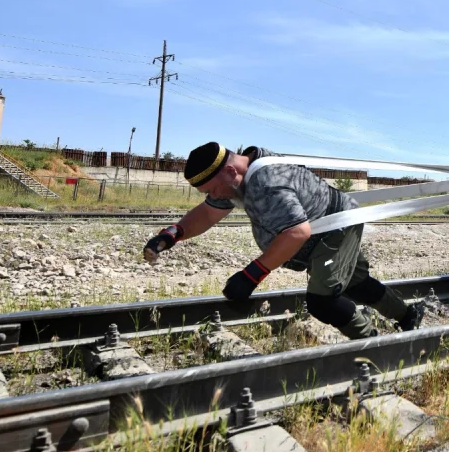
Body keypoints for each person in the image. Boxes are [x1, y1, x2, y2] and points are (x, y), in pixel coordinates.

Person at [142, 142, 423, 339]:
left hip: (334, 227)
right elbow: (207, 213)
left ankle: (373, 347)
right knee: (356, 284)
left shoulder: (266, 182)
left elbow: (296, 233)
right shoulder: (239, 176)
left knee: (322, 301)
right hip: (320, 230)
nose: (215, 195)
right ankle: (408, 316)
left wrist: (251, 275)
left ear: (229, 172)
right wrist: (173, 233)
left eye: (213, 188)